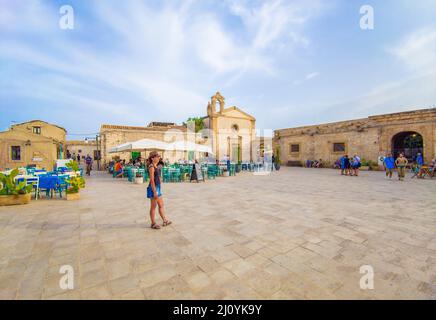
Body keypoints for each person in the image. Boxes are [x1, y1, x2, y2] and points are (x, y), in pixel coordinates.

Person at [146, 151, 171, 230]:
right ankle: (153, 223)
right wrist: (155, 192)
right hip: (154, 188)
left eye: (159, 156)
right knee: (153, 206)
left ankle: (165, 220)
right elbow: (152, 180)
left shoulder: (156, 166)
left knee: (161, 205)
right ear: (153, 158)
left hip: (158, 187)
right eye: (157, 156)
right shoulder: (151, 167)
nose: (159, 157)